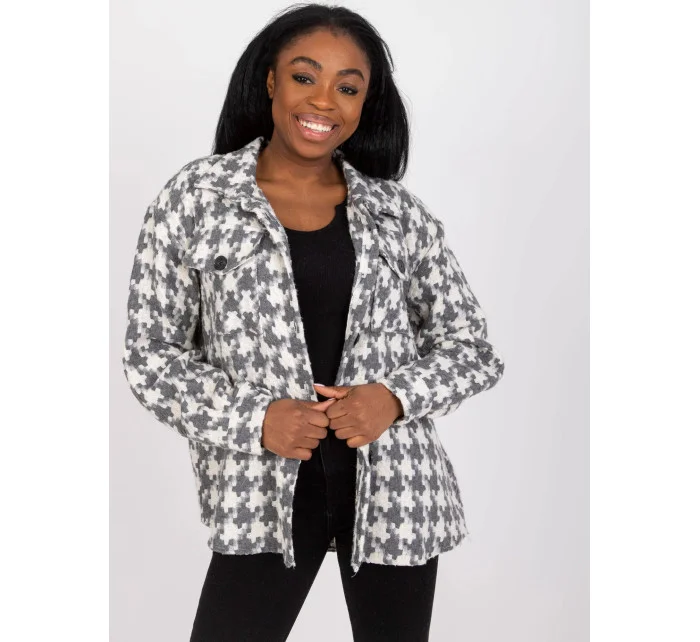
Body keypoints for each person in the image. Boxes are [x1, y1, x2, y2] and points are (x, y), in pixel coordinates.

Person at [122, 3, 505, 640]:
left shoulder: (396, 213)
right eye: (305, 77)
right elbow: (151, 356)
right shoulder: (197, 198)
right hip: (260, 490)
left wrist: (393, 398)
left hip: (396, 493)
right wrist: (255, 418)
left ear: (365, 103)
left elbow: (472, 349)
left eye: (347, 88)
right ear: (271, 81)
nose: (324, 101)